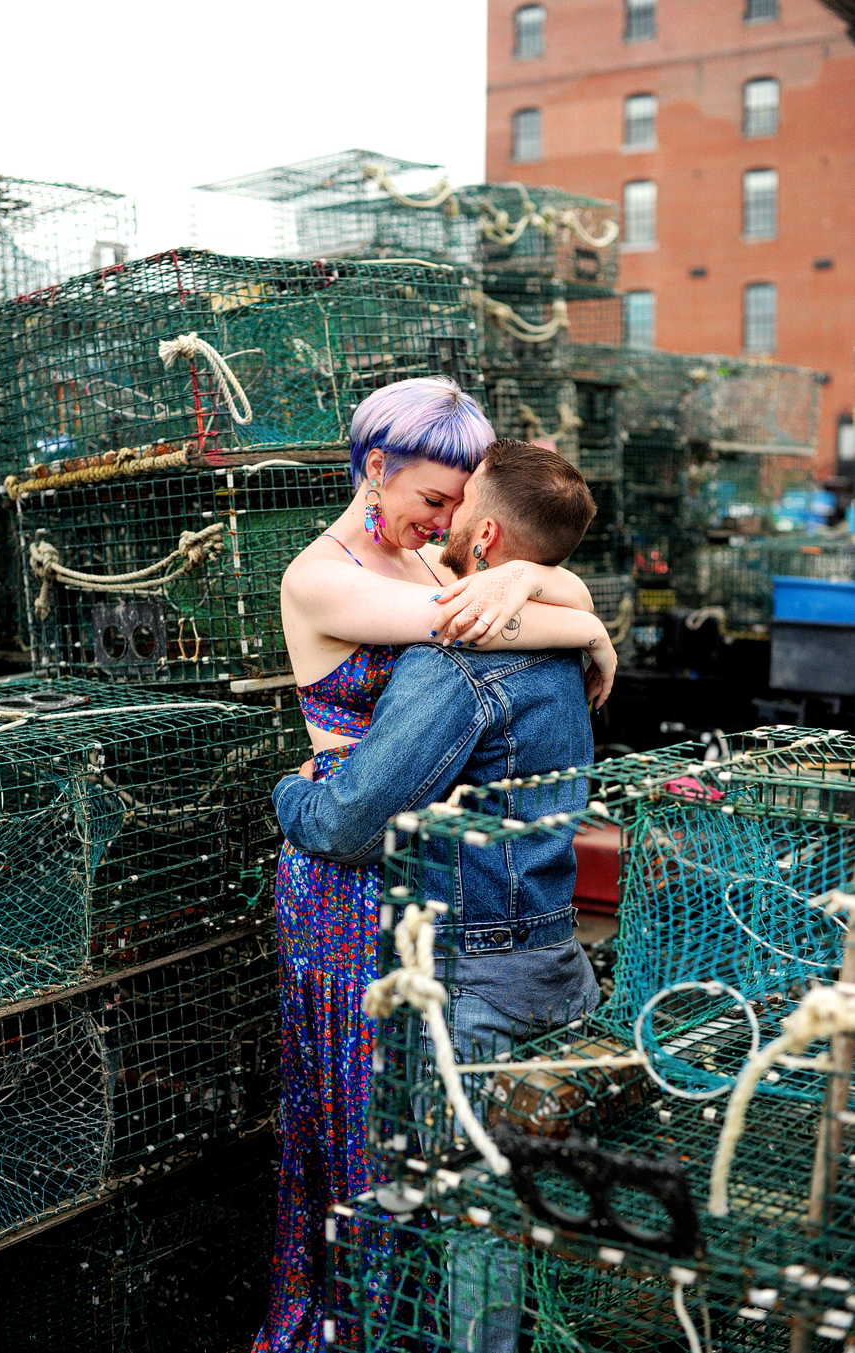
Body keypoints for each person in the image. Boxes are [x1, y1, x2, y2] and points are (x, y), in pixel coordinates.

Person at [252, 381, 615, 1353]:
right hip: (344, 873)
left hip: (432, 891)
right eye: (434, 496)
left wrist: (529, 581)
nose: (449, 520)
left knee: (429, 1148)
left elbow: (524, 585)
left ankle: (418, 1330)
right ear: (376, 466)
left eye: (463, 502)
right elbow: (496, 633)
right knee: (361, 1130)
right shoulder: (319, 578)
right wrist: (571, 614)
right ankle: (355, 1329)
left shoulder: (423, 553)